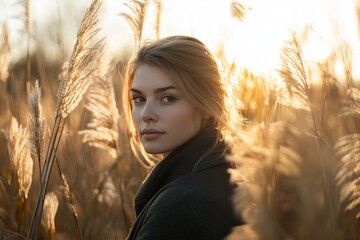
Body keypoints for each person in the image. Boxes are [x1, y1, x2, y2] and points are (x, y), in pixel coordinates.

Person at [123, 35, 244, 240]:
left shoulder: (179, 206)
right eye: (139, 99)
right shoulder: (225, 176)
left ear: (206, 105)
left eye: (168, 98)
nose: (146, 114)